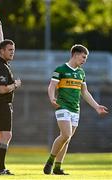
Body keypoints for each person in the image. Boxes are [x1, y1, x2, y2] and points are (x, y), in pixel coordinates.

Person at [43, 44, 108, 175]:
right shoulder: (60, 69)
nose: (84, 60)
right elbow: (52, 86)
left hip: (75, 109)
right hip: (62, 106)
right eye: (83, 57)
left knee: (67, 139)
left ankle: (57, 167)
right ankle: (50, 161)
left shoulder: (81, 73)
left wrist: (96, 106)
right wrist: (52, 98)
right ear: (76, 54)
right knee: (66, 134)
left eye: (86, 58)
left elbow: (85, 92)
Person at [0, 15, 21, 175]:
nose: (12, 52)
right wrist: (15, 85)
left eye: (13, 50)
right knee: (6, 135)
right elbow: (2, 89)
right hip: (2, 104)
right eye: (10, 50)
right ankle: (0, 168)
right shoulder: (2, 67)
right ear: (2, 51)